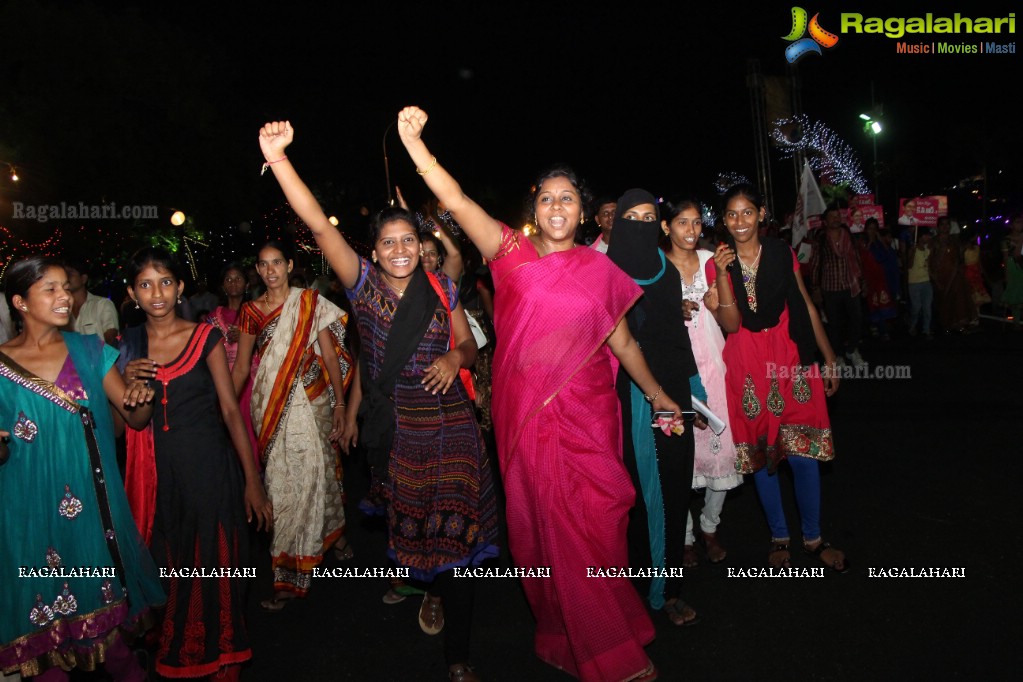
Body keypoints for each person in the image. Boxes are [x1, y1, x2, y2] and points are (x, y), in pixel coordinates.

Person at [397, 106, 682, 682]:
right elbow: (457, 202)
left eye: (568, 198)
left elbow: (623, 344)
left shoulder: (601, 271)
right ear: (534, 210)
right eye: (547, 198)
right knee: (555, 536)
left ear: (584, 211)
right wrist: (416, 148)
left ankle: (581, 630)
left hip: (590, 420)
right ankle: (606, 652)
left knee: (600, 528)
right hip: (529, 422)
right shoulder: (510, 255)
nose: (557, 206)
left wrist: (657, 395)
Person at [258, 121, 498, 682]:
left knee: (459, 536)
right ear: (373, 250)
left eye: (408, 240)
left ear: (422, 246)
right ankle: (429, 585)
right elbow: (318, 225)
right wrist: (279, 159)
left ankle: (458, 653)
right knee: (415, 533)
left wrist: (454, 360)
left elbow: (466, 344)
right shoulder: (361, 285)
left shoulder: (442, 289)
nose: (398, 249)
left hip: (455, 431)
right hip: (400, 436)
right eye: (387, 241)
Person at [0, 256, 164, 681]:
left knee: (112, 644)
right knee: (43, 651)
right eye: (50, 289)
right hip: (29, 520)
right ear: (20, 301)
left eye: (66, 288)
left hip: (91, 516)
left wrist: (142, 395)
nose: (65, 298)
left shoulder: (90, 351)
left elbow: (135, 419)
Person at [118, 248, 272, 679]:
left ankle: (223, 656)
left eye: (165, 282)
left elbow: (229, 409)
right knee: (171, 563)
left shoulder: (204, 336)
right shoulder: (127, 347)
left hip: (208, 469)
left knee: (216, 563)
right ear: (132, 294)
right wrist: (129, 382)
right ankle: (179, 652)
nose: (157, 293)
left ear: (181, 287)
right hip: (158, 475)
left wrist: (252, 480)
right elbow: (119, 424)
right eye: (145, 285)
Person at [708, 184, 847, 574]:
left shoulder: (782, 253)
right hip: (748, 366)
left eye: (747, 212)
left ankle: (814, 537)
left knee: (803, 454)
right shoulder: (717, 263)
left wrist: (830, 356)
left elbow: (804, 302)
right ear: (724, 220)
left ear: (762, 214)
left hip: (790, 359)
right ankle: (780, 536)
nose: (740, 221)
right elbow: (732, 324)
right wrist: (721, 274)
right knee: (764, 457)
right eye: (732, 214)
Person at [231, 240, 354, 611]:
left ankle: (332, 535)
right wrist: (220, 408)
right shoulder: (251, 312)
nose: (270, 271)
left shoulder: (309, 302)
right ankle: (286, 571)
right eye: (263, 265)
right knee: (281, 484)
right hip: (270, 405)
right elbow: (241, 366)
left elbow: (330, 355)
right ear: (258, 270)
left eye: (276, 263)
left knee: (319, 473)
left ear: (288, 266)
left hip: (313, 399)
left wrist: (340, 402)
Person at [605, 190, 701, 626]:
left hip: (673, 396)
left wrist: (695, 395)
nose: (642, 225)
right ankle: (639, 586)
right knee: (637, 497)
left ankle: (670, 586)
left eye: (650, 217)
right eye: (633, 217)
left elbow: (678, 340)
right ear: (617, 223)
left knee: (675, 487)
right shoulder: (601, 273)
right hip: (623, 401)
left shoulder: (666, 273)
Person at [662, 199, 742, 567]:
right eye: (682, 223)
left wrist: (717, 297)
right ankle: (686, 534)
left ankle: (710, 526)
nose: (691, 231)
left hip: (714, 369)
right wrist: (669, 311)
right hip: (672, 375)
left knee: (720, 451)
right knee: (677, 457)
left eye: (696, 223)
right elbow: (642, 326)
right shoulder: (656, 268)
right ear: (666, 227)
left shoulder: (713, 260)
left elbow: (731, 324)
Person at [208, 262, 260, 464]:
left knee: (252, 427)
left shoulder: (255, 312)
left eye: (238, 278)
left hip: (251, 381)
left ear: (247, 284)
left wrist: (249, 337)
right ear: (222, 286)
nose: (233, 283)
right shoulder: (213, 317)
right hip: (224, 381)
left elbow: (269, 342)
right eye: (228, 279)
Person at [810, 206, 866, 367]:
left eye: (838, 215)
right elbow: (814, 264)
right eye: (832, 216)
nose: (836, 218)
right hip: (831, 287)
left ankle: (852, 350)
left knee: (857, 319)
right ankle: (838, 355)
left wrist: (862, 279)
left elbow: (856, 258)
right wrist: (815, 288)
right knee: (835, 324)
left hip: (851, 285)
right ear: (825, 221)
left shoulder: (848, 235)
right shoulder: (821, 239)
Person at [931, 217, 977, 332]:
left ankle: (959, 325)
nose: (945, 226)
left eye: (947, 224)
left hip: (955, 274)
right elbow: (931, 261)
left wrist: (964, 249)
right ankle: (946, 325)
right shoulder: (933, 241)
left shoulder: (954, 240)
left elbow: (959, 257)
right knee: (944, 300)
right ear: (937, 227)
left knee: (959, 299)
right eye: (942, 224)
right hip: (941, 276)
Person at [65, 259, 119, 347]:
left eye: (70, 274)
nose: (66, 278)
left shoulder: (102, 305)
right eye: (64, 274)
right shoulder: (62, 309)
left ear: (83, 279)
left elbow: (112, 340)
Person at [906, 228, 935, 340]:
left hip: (926, 281)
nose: (929, 237)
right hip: (914, 283)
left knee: (927, 307)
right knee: (916, 307)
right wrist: (912, 253)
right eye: (927, 235)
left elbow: (929, 266)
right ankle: (912, 326)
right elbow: (909, 266)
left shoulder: (928, 250)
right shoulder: (913, 249)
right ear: (921, 236)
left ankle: (926, 329)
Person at [1001, 212, 1023, 330]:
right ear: (1011, 225)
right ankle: (1016, 322)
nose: (1021, 225)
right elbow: (1005, 257)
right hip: (1013, 267)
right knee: (1015, 294)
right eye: (1017, 222)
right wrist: (1006, 275)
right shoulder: (1007, 240)